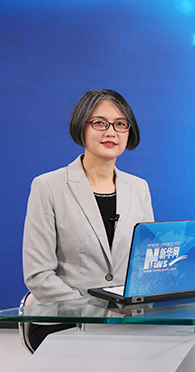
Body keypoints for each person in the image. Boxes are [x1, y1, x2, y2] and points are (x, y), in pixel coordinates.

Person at [22, 89, 154, 349]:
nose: (111, 132)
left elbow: (145, 265)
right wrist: (98, 312)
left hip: (124, 320)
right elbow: (38, 275)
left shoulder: (139, 188)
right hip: (65, 320)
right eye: (100, 123)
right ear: (80, 126)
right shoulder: (48, 186)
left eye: (120, 124)